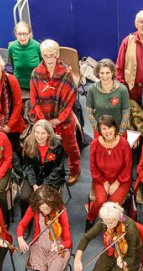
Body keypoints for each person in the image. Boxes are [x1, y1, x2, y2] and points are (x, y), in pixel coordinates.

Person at [30, 39, 81, 185]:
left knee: (71, 149)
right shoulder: (36, 73)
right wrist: (44, 121)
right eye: (46, 55)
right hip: (43, 121)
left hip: (63, 121)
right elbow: (34, 99)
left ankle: (74, 170)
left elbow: (70, 100)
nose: (49, 59)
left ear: (57, 54)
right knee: (43, 148)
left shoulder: (66, 73)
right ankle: (47, 173)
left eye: (52, 55)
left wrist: (58, 120)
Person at [16, 186, 72, 271]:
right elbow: (21, 225)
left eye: (48, 208)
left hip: (57, 248)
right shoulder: (34, 208)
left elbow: (68, 240)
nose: (46, 211)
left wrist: (60, 245)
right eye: (43, 208)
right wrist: (20, 238)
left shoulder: (60, 209)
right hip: (39, 246)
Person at [87, 115, 132, 230]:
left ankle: (111, 226)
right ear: (100, 131)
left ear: (115, 128)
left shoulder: (124, 144)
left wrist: (117, 183)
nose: (107, 131)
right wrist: (104, 182)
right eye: (104, 128)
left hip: (121, 180)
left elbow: (127, 168)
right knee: (100, 200)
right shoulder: (94, 144)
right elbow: (93, 168)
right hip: (101, 179)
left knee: (113, 204)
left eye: (109, 127)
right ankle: (90, 218)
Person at [14, 120, 67, 215]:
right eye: (37, 132)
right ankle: (26, 221)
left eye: (43, 133)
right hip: (33, 176)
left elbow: (58, 168)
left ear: (49, 134)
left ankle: (48, 221)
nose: (39, 136)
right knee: (24, 198)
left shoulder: (57, 145)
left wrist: (44, 185)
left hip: (52, 178)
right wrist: (34, 184)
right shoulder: (28, 143)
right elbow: (27, 166)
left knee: (47, 199)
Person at [86, 59, 131, 136]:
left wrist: (120, 133)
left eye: (108, 73)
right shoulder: (92, 89)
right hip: (100, 131)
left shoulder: (122, 89)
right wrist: (99, 129)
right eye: (102, 73)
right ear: (98, 73)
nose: (105, 76)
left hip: (119, 131)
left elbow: (126, 113)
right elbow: (89, 112)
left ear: (113, 73)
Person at [7, 21, 41, 91]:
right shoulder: (11, 47)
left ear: (30, 34)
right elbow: (12, 66)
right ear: (16, 34)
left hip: (36, 84)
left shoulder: (37, 46)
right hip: (19, 85)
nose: (22, 37)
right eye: (19, 34)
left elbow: (42, 64)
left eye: (25, 34)